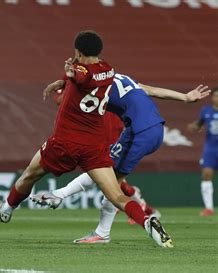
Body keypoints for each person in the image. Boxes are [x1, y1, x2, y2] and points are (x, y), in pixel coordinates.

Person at [0, 31, 173, 248]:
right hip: (94, 145)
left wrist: (70, 73)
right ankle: (147, 221)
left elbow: (81, 75)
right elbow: (85, 75)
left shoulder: (80, 71)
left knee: (29, 175)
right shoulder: (108, 70)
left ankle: (7, 209)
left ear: (77, 51)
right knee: (116, 195)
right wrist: (64, 79)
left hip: (64, 141)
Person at [33, 74, 210, 243]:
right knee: (112, 182)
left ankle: (63, 198)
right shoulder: (120, 78)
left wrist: (64, 85)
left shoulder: (97, 85)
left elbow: (77, 101)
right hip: (153, 129)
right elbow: (150, 90)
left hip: (139, 133)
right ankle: (100, 230)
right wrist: (185, 97)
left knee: (106, 176)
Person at [188, 88, 218, 217]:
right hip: (211, 148)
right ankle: (209, 208)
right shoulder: (206, 110)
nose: (217, 98)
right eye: (216, 96)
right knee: (206, 174)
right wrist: (194, 127)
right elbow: (198, 125)